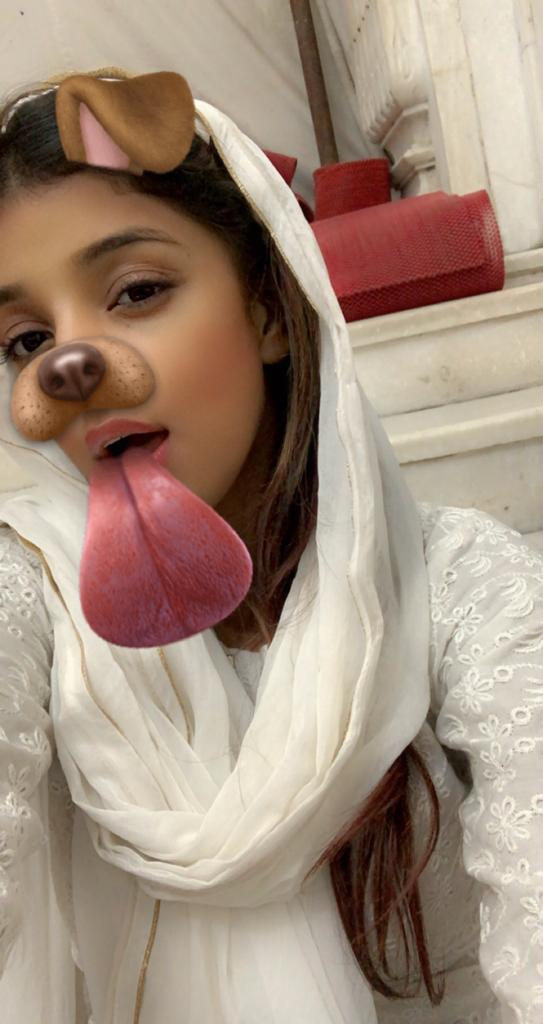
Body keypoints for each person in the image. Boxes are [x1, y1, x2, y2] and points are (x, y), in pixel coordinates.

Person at [0, 67, 541, 1024]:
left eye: (136, 291)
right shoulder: (34, 596)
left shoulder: (461, 586)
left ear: (264, 309)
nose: (67, 365)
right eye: (24, 339)